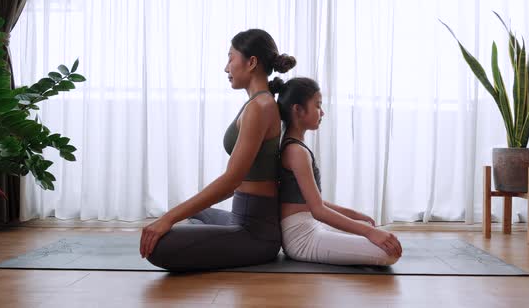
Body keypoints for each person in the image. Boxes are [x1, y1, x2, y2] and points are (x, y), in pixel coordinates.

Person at [140, 29, 296, 271]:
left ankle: (215, 240)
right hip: (240, 217)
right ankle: (208, 237)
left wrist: (167, 218)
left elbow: (230, 182)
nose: (226, 68)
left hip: (256, 233)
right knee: (197, 214)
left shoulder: (261, 107)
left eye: (230, 58)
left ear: (251, 62)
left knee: (159, 246)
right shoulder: (256, 104)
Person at [271, 77, 402, 266]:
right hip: (300, 237)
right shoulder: (295, 151)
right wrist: (370, 233)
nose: (322, 112)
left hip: (308, 225)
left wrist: (354, 214)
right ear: (298, 110)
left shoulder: (296, 148)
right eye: (317, 105)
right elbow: (318, 210)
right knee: (387, 253)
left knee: (371, 229)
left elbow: (314, 201)